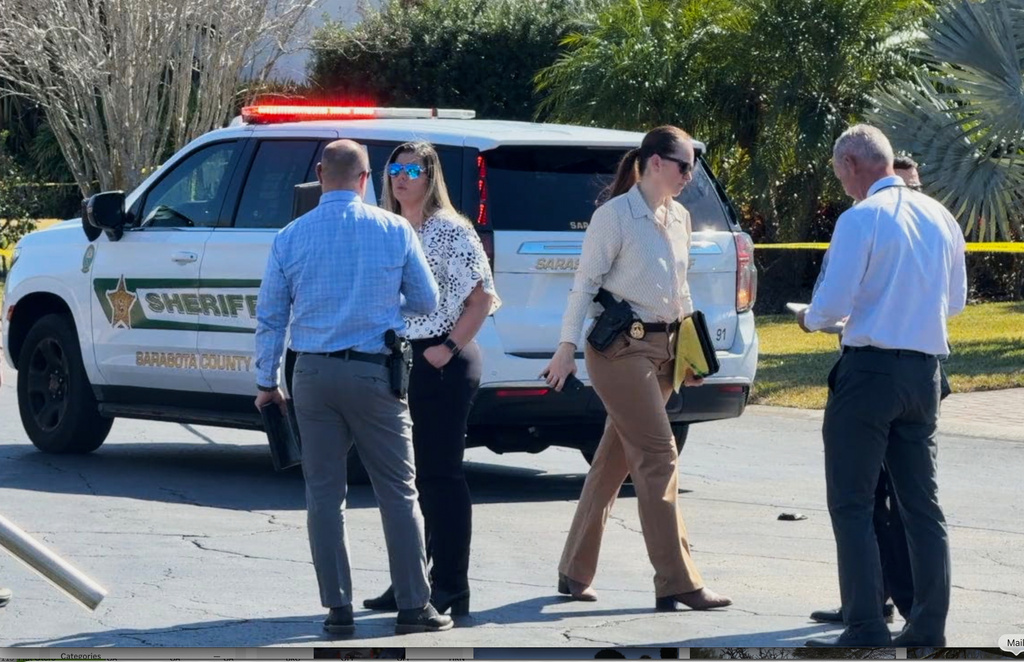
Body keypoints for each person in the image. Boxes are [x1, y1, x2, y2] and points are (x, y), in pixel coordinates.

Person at [254, 139, 452, 636]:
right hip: (374, 372)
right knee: (398, 492)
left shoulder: (290, 237)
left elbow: (271, 318)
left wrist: (265, 383)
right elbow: (426, 300)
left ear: (320, 174)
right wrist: (382, 308)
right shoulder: (395, 229)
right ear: (366, 180)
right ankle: (413, 607)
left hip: (312, 376)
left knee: (323, 494)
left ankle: (338, 610)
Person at [542, 125, 732, 611]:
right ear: (653, 162)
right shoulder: (615, 216)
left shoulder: (680, 216)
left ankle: (573, 570)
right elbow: (584, 285)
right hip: (620, 351)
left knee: (612, 462)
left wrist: (691, 355)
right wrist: (565, 347)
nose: (691, 174)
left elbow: (681, 292)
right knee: (659, 455)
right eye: (684, 164)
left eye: (693, 165)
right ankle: (677, 579)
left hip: (666, 351)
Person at [799, 125, 966, 647]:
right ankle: (928, 626)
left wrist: (810, 320)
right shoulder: (941, 216)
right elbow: (955, 303)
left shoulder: (861, 217)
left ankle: (867, 624)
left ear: (851, 164)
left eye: (839, 173)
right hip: (924, 373)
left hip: (870, 370)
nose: (842, 183)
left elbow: (832, 304)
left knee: (852, 502)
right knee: (922, 504)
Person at [362, 141, 499, 617]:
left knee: (441, 475)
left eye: (411, 170)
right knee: (407, 479)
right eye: (394, 169)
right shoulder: (388, 227)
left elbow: (481, 298)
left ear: (429, 176)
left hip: (443, 359)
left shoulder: (450, 230)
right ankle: (410, 581)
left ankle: (451, 588)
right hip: (397, 360)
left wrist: (448, 348)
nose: (401, 178)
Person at [807, 154, 922, 628]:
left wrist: (815, 317)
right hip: (876, 369)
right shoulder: (868, 224)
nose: (909, 196)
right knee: (871, 499)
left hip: (897, 376)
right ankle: (870, 602)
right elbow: (831, 293)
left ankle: (906, 605)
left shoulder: (921, 226)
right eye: (903, 186)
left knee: (897, 503)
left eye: (915, 187)